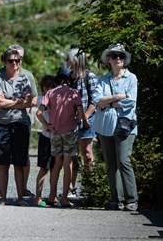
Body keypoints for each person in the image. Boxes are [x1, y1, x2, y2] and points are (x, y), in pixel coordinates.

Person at [0, 44, 37, 199]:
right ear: (5, 62)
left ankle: (20, 197)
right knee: (2, 162)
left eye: (17, 60)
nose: (14, 63)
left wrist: (9, 101)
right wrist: (18, 101)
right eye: (11, 61)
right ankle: (2, 197)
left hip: (20, 123)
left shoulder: (26, 77)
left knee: (19, 162)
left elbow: (29, 102)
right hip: (2, 124)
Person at [93, 43, 138, 211]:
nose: (118, 58)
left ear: (124, 59)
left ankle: (131, 199)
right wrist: (117, 97)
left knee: (124, 161)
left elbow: (130, 102)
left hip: (125, 125)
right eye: (114, 56)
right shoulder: (102, 80)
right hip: (105, 125)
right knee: (111, 164)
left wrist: (108, 101)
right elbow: (97, 101)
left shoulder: (131, 78)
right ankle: (116, 199)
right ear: (108, 60)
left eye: (121, 56)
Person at [36, 74, 85, 208]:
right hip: (69, 131)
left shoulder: (50, 93)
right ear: (68, 82)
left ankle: (52, 196)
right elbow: (80, 113)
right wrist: (76, 118)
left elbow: (39, 113)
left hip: (55, 132)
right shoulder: (74, 93)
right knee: (67, 163)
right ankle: (64, 198)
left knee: (57, 163)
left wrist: (47, 125)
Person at [66, 47, 98, 198]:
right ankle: (71, 188)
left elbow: (95, 100)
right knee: (72, 155)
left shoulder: (89, 76)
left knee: (87, 153)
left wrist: (84, 117)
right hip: (70, 122)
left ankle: (90, 187)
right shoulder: (68, 77)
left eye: (69, 59)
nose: (67, 62)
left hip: (86, 121)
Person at [33, 75, 56, 207]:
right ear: (45, 88)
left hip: (56, 136)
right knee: (44, 168)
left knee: (55, 168)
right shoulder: (43, 99)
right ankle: (38, 197)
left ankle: (52, 195)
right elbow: (39, 113)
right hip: (46, 137)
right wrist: (46, 125)